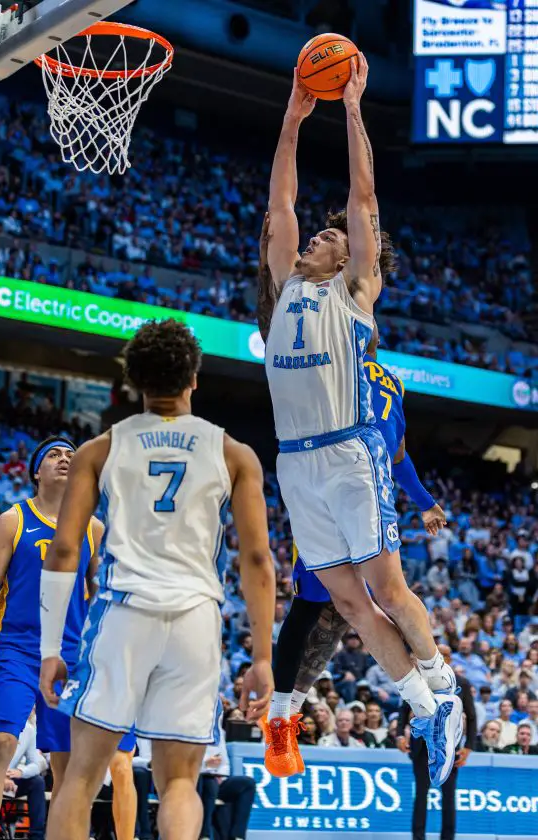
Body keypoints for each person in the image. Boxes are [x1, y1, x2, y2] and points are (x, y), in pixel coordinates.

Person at [259, 56, 461, 789]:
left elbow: (363, 195)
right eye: (316, 235)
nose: (318, 235)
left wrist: (350, 109)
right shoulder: (285, 282)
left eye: (331, 235)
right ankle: (424, 709)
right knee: (343, 601)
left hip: (349, 453)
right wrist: (292, 117)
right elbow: (281, 199)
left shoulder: (355, 292)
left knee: (385, 586)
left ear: (355, 257)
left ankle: (443, 688)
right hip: (295, 462)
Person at [38, 319, 276, 840]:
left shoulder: (100, 449)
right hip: (195, 617)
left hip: (124, 610)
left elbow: (64, 550)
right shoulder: (233, 453)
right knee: (180, 783)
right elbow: (257, 559)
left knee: (81, 776)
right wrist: (261, 657)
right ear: (194, 379)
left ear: (134, 382)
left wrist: (51, 648)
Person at [0, 437, 103, 840]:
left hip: (70, 657)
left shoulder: (93, 528)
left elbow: (99, 593)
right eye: (54, 454)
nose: (64, 459)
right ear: (36, 471)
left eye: (71, 456)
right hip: (17, 649)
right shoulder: (12, 520)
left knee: (68, 764)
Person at [397, 645, 477, 840]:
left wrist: (468, 747)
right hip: (420, 747)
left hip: (449, 747)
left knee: (449, 797)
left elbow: (472, 716)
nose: (443, 658)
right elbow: (403, 711)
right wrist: (399, 735)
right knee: (420, 796)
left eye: (446, 655)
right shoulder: (417, 679)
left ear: (450, 659)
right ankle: (418, 837)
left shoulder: (462, 683)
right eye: (440, 655)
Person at [197, 725, 256, 840]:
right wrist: (205, 765)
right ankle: (204, 835)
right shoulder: (190, 732)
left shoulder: (218, 731)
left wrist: (220, 774)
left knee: (248, 783)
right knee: (209, 782)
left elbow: (224, 764)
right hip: (198, 780)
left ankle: (238, 836)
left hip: (217, 780)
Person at [0, 712, 47, 840]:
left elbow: (36, 764)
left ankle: (37, 836)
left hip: (10, 779)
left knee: (37, 782)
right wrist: (0, 778)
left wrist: (21, 772)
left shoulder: (29, 730)